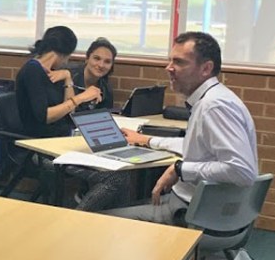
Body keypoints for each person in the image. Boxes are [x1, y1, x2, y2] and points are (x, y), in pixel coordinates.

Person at [105, 31, 259, 225]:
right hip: (207, 209)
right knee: (128, 204)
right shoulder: (216, 97)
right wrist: (148, 140)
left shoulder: (213, 106)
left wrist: (180, 169)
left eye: (179, 62)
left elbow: (241, 171)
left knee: (97, 220)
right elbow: (197, 147)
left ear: (206, 68)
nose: (169, 68)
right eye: (170, 61)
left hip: (193, 213)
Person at [14, 26, 102, 138]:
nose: (66, 62)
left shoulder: (54, 72)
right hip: (42, 137)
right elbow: (44, 117)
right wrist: (81, 97)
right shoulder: (32, 70)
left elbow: (70, 112)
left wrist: (67, 78)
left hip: (62, 134)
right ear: (64, 53)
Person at [71, 37, 117, 112]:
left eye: (107, 62)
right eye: (97, 58)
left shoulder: (106, 89)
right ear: (87, 58)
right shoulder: (69, 78)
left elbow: (104, 116)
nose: (101, 65)